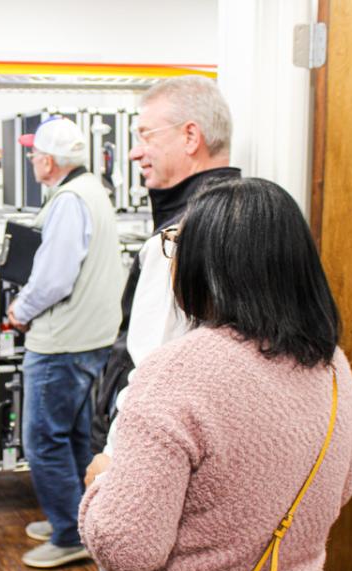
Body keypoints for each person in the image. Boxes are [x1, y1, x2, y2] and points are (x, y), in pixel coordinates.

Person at [79, 178, 352, 571]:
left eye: (176, 244)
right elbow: (342, 487)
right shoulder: (330, 363)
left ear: (208, 265)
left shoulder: (177, 370)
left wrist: (101, 483)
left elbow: (124, 549)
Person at [91, 76, 240, 456]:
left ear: (191, 137)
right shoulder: (247, 219)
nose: (134, 153)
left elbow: (149, 371)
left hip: (152, 450)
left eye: (146, 136)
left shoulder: (177, 239)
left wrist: (111, 459)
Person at [5, 117, 125, 569]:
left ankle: (69, 533)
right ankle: (76, 518)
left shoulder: (69, 201)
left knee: (43, 440)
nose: (33, 160)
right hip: (91, 337)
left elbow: (53, 278)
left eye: (35, 153)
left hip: (61, 341)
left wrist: (20, 310)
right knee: (74, 435)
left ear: (49, 161)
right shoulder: (92, 190)